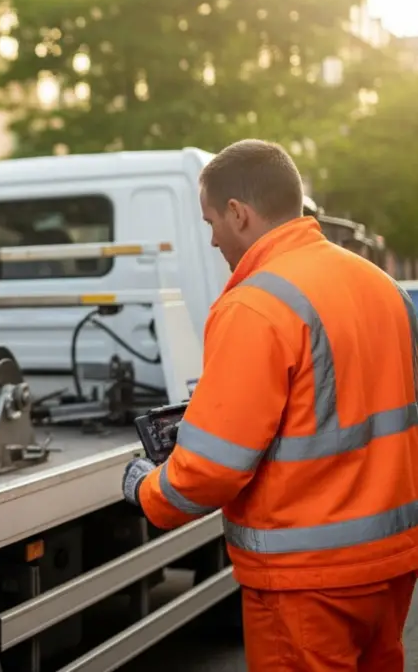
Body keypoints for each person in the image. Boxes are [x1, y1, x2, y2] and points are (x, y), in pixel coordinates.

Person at [121, 139, 418, 671]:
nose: (211, 239)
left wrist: (148, 491)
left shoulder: (255, 306)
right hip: (391, 562)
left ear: (239, 213)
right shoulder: (384, 287)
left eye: (211, 221)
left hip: (305, 580)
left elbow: (212, 468)